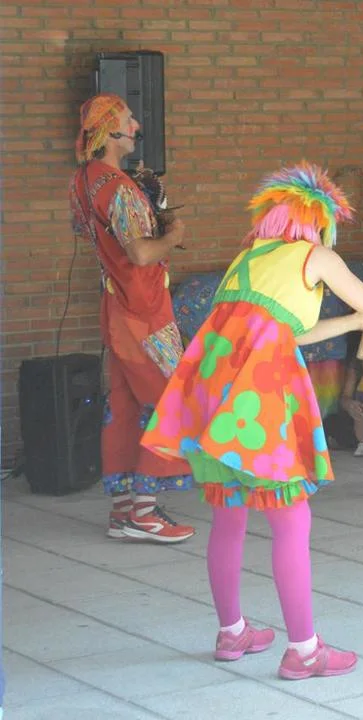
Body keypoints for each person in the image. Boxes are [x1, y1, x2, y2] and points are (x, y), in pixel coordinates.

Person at [141, 162, 363, 678]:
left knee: (229, 515)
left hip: (216, 396)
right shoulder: (317, 256)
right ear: (318, 220)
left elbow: (287, 330)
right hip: (260, 398)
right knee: (291, 519)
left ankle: (232, 631)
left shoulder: (248, 259)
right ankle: (304, 650)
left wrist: (351, 321)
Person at [68, 93, 195, 542]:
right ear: (110, 131)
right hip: (144, 313)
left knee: (123, 407)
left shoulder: (82, 181)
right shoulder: (119, 187)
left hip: (117, 308)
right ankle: (144, 512)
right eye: (129, 119)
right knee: (171, 402)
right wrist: (171, 236)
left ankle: (124, 511)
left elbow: (86, 232)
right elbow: (140, 253)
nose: (137, 126)